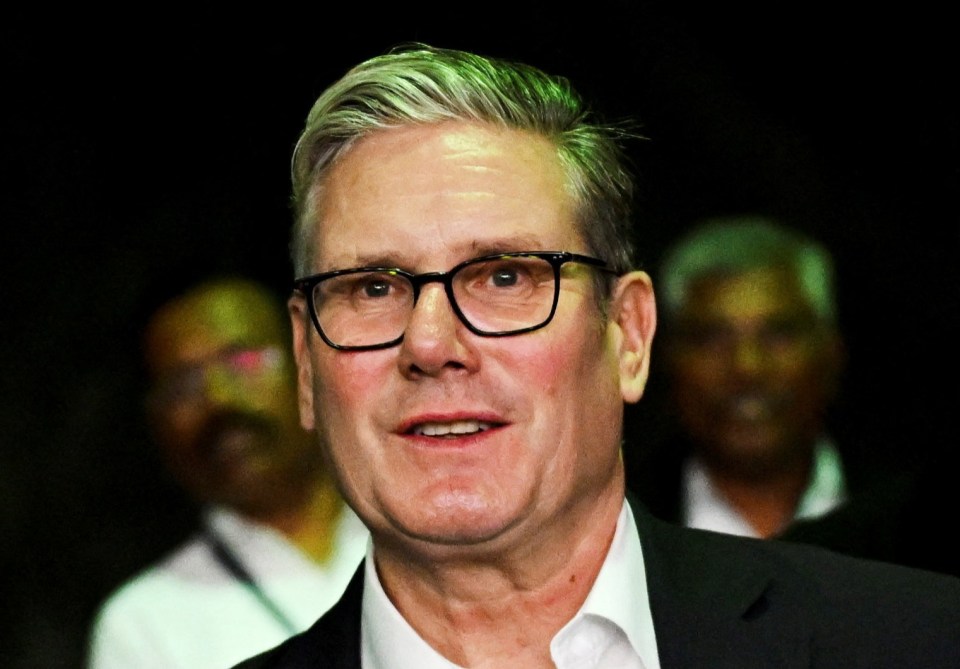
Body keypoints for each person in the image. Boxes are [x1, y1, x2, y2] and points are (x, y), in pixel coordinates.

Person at [233, 44, 959, 668]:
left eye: (505, 277)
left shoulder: (912, 640)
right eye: (373, 287)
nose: (429, 343)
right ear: (305, 360)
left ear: (629, 336)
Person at [86, 276, 368, 669]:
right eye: (183, 384)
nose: (218, 398)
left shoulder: (422, 539)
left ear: (307, 365)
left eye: (243, 360)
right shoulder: (145, 622)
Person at [630, 216, 876, 538]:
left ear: (831, 355)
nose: (748, 367)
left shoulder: (922, 520)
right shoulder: (618, 527)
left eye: (779, 335)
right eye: (712, 339)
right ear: (665, 359)